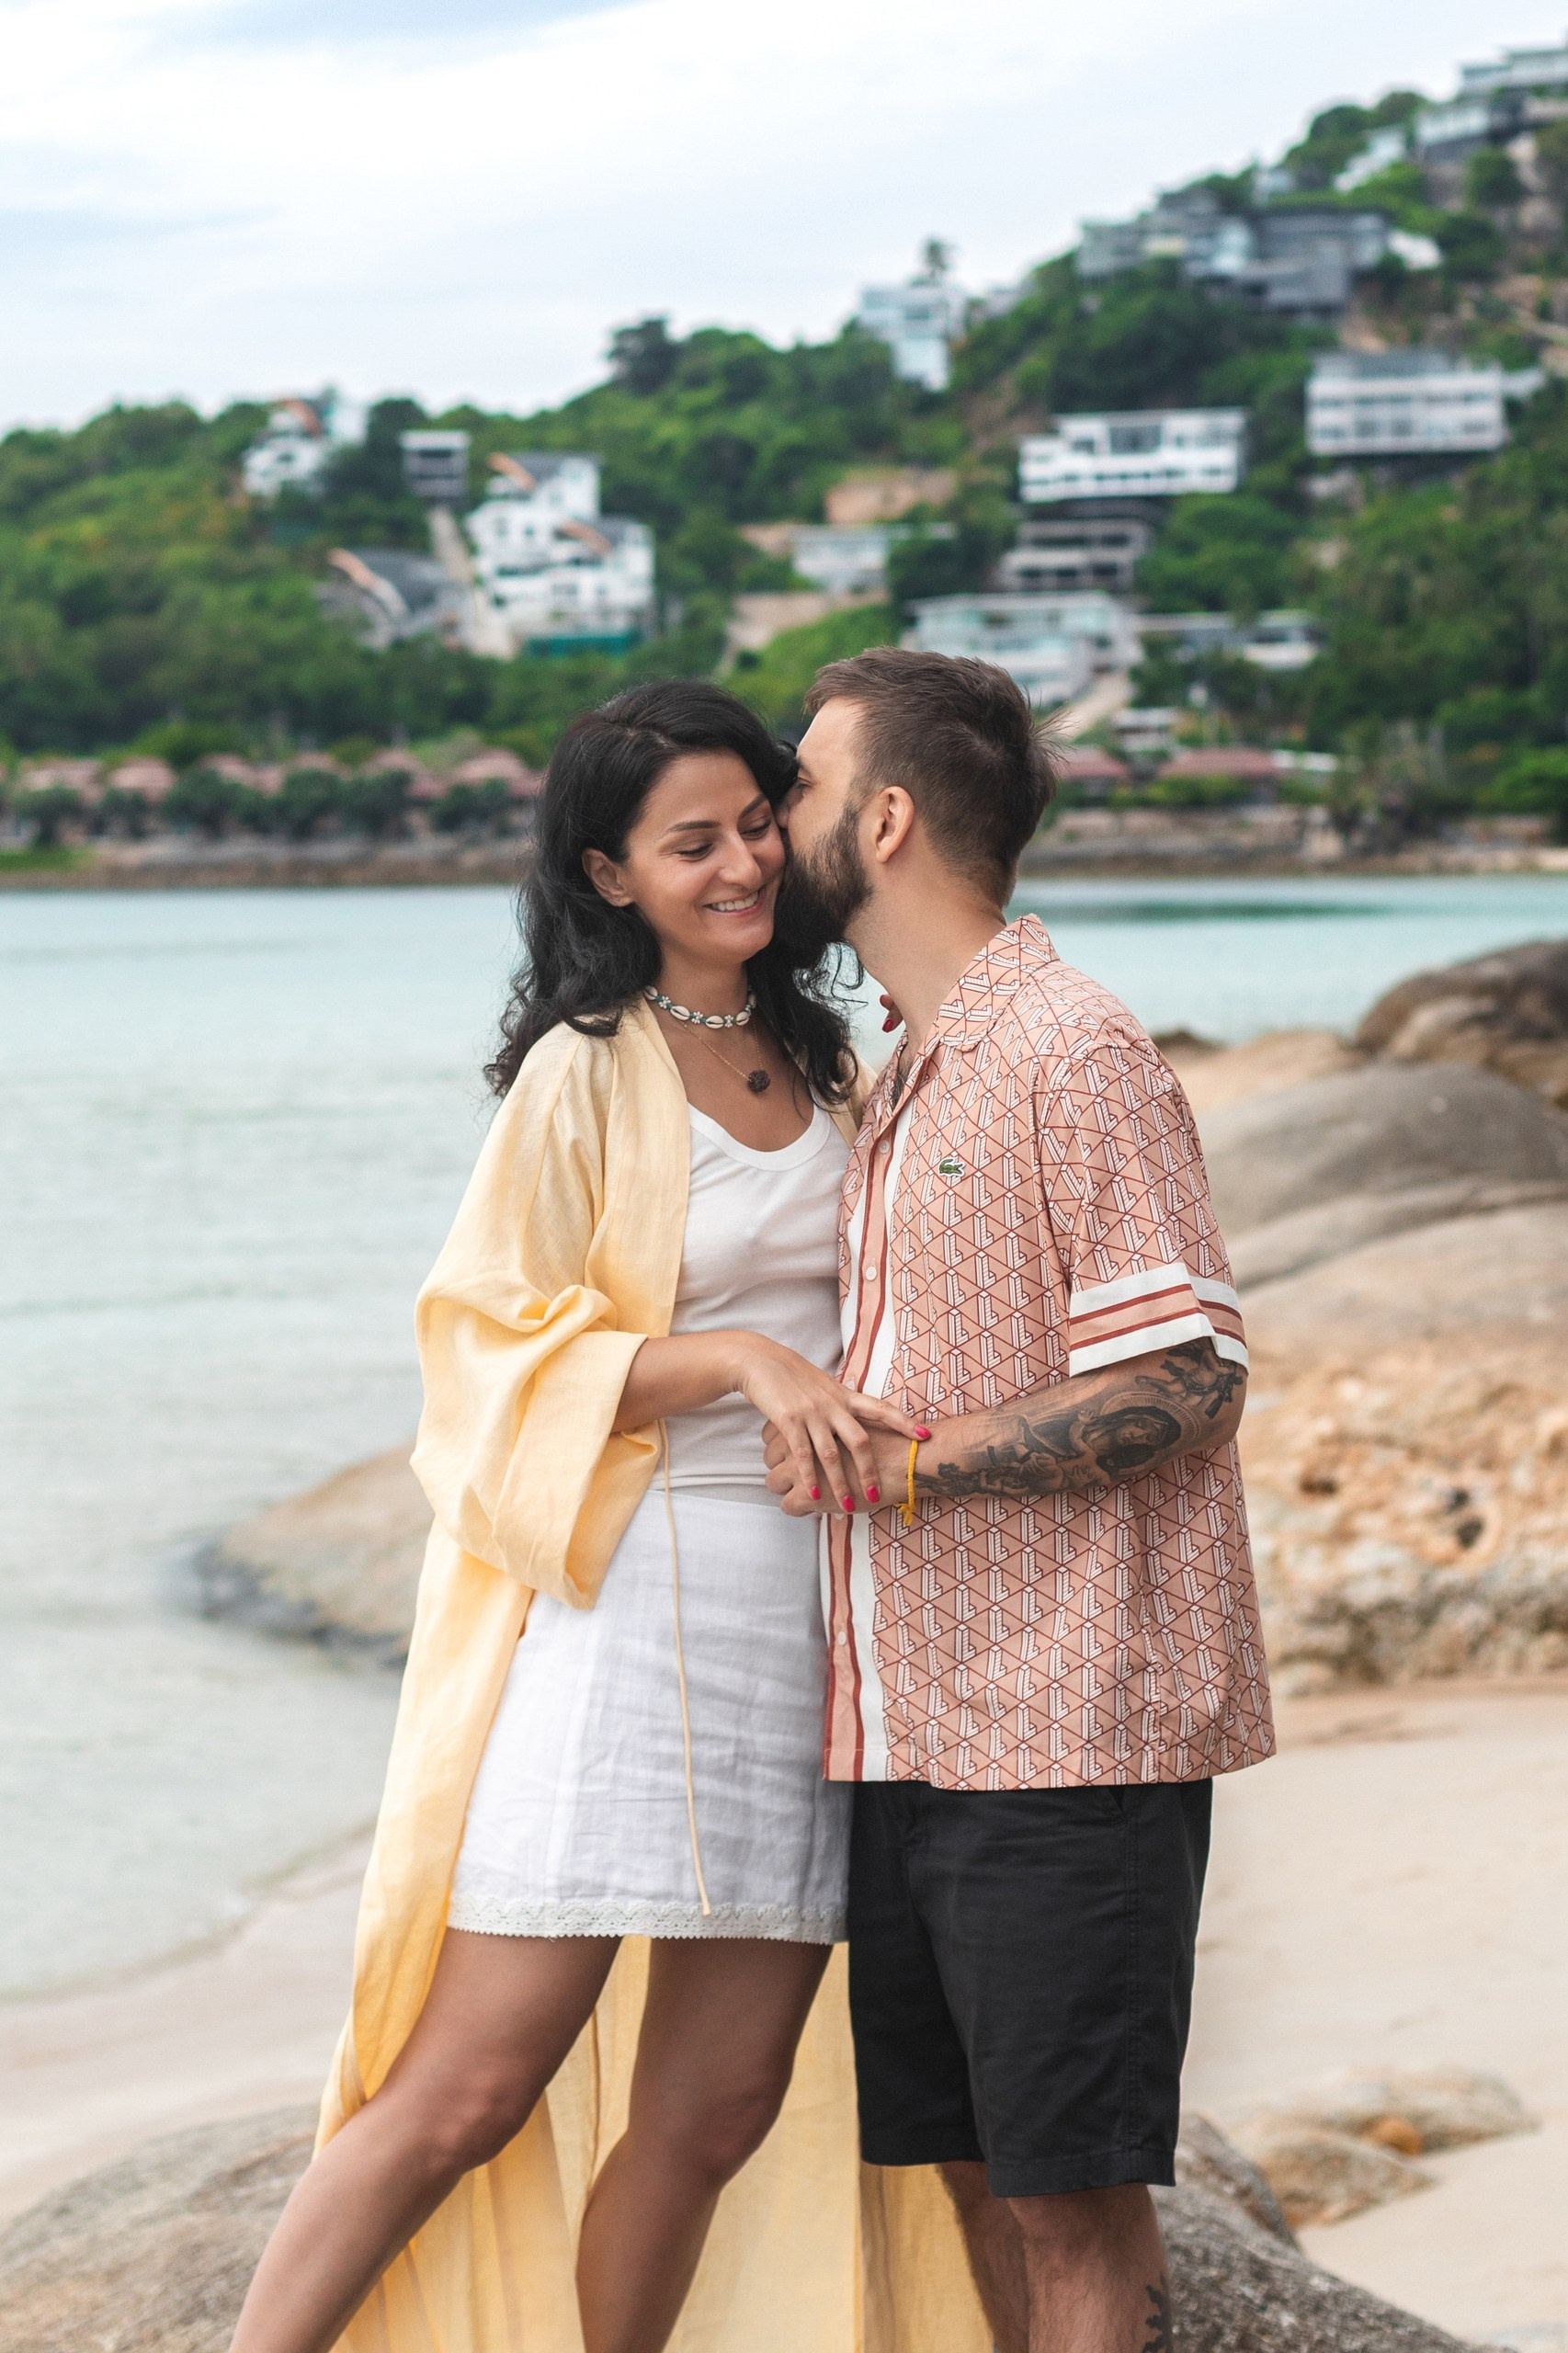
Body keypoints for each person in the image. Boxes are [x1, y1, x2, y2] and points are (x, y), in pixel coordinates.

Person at [226, 679, 937, 2353]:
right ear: (611, 875)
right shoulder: (584, 1069)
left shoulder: (833, 1062)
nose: (741, 864)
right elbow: (486, 1347)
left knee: (714, 2111)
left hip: (809, 1630)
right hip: (627, 1614)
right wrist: (740, 1362)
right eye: (691, 844)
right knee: (472, 2085)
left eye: (755, 824)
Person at [767, 647, 1276, 2353]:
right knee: (976, 2177)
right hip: (917, 1728)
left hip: (1066, 1733)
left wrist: (911, 1463)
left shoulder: (1070, 1048)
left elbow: (1186, 1376)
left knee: (1067, 2201)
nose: (770, 819)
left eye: (801, 785)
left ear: (886, 821)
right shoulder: (908, 1068)